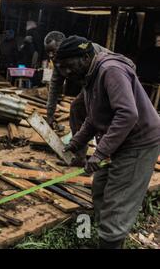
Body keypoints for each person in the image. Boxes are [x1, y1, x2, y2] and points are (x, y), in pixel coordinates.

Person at [56, 36, 160, 249]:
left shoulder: (110, 70)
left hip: (139, 142)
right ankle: (108, 238)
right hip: (122, 140)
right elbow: (94, 118)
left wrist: (100, 153)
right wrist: (76, 142)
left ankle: (111, 237)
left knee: (117, 201)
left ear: (85, 57)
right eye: (61, 68)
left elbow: (127, 114)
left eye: (68, 66)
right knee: (101, 188)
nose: (65, 72)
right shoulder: (89, 75)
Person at [44, 31, 110, 165]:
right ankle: (80, 158)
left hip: (107, 84)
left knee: (98, 116)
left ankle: (104, 157)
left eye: (53, 51)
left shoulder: (88, 50)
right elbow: (55, 85)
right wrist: (50, 113)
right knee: (76, 109)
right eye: (48, 52)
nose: (51, 56)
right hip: (89, 86)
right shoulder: (60, 60)